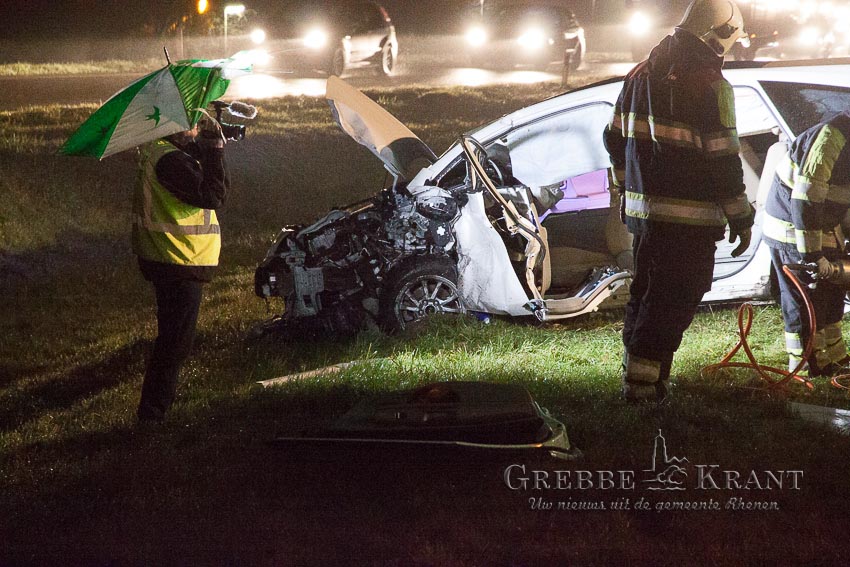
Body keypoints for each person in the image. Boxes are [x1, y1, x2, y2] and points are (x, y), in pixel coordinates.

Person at [603, 0, 754, 402]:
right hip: (689, 222)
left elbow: (614, 138)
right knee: (673, 298)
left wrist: (626, 191)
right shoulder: (711, 85)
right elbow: (723, 159)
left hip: (645, 218)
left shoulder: (639, 74)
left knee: (648, 291)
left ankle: (640, 376)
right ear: (718, 35)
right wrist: (741, 216)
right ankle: (643, 388)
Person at [133, 116, 229, 422]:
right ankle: (152, 415)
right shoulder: (171, 161)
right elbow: (213, 196)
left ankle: (154, 411)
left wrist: (206, 150)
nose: (198, 127)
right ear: (173, 124)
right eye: (193, 122)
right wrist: (213, 151)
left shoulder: (163, 151)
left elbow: (206, 182)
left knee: (172, 338)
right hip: (177, 260)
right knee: (175, 344)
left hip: (169, 258)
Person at [762, 111, 850, 377]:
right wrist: (814, 257)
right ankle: (805, 363)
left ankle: (834, 357)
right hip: (791, 228)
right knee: (804, 300)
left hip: (825, 226)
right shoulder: (831, 138)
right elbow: (806, 201)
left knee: (832, 294)